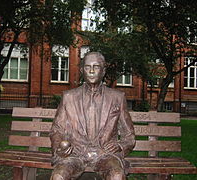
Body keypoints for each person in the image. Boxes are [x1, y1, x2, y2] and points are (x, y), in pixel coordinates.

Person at [50, 52, 135, 180]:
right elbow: (57, 130)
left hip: (105, 155)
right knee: (58, 176)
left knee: (117, 175)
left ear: (103, 71)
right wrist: (59, 147)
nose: (91, 71)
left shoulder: (117, 98)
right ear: (81, 70)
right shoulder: (69, 97)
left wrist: (120, 146)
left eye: (96, 67)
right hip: (75, 153)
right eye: (87, 67)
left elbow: (129, 136)